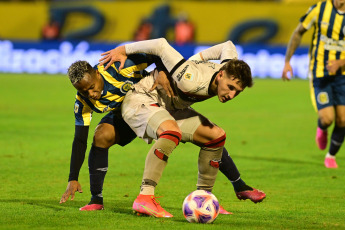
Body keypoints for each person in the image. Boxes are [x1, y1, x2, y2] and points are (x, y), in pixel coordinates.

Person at [60, 48, 265, 214]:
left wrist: (161, 72)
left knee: (213, 135)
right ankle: (98, 198)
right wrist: (73, 177)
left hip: (156, 99)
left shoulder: (119, 66)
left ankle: (226, 190)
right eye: (83, 91)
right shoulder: (83, 102)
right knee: (101, 136)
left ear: (97, 73)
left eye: (92, 87)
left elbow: (158, 53)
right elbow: (79, 141)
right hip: (132, 110)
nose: (91, 93)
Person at [282, 0, 345, 168]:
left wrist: (341, 62)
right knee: (327, 118)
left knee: (343, 119)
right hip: (320, 73)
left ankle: (330, 156)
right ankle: (322, 127)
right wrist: (287, 61)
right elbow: (298, 32)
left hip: (342, 76)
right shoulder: (320, 9)